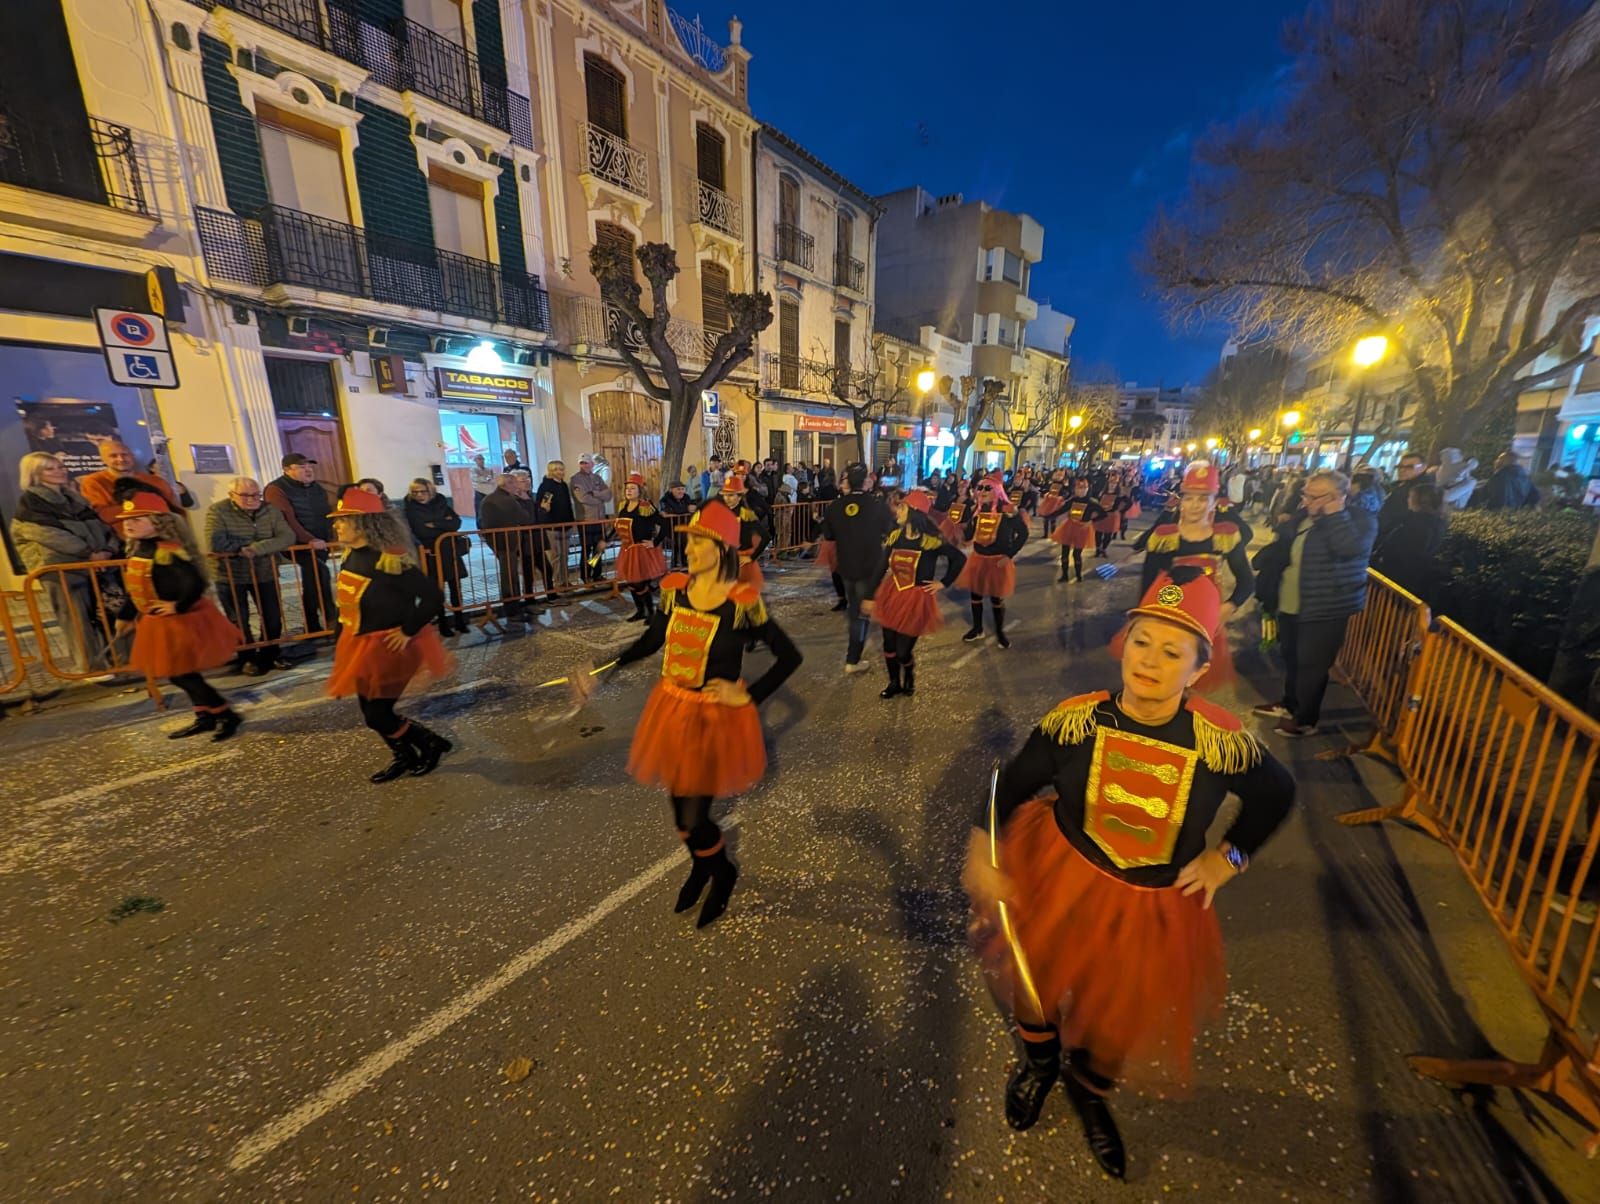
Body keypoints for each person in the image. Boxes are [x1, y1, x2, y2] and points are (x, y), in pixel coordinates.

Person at [963, 569, 1295, 1178]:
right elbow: (1006, 786)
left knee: (1114, 1013)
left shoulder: (1219, 740)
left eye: (1173, 652)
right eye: (1142, 641)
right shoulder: (1076, 721)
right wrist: (983, 847)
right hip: (1060, 878)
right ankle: (1038, 1068)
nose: (1151, 660)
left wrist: (1231, 857)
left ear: (1199, 670)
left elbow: (1276, 793)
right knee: (1034, 987)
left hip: (1149, 905)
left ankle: (1089, 1092)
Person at [591, 500, 803, 928]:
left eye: (698, 544)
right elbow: (652, 641)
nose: (687, 551)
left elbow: (788, 657)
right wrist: (604, 673)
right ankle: (703, 865)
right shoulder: (675, 589)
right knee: (680, 810)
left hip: (714, 719)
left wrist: (747, 697)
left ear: (722, 548)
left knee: (694, 815)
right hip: (672, 708)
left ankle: (721, 870)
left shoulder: (742, 603)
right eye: (687, 543)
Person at [325, 487, 453, 782]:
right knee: (370, 711)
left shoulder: (388, 561)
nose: (337, 525)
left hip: (389, 648)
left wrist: (408, 630)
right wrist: (339, 642)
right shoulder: (350, 556)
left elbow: (432, 597)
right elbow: (346, 605)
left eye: (343, 519)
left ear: (364, 523)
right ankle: (404, 756)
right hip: (358, 645)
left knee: (378, 714)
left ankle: (429, 743)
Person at [1252, 469, 1377, 737]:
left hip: (1325, 606)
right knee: (1292, 658)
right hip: (1291, 602)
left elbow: (1349, 548)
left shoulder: (1360, 521)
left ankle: (1305, 719)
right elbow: (1285, 537)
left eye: (1314, 496)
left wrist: (1335, 514)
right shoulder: (1305, 517)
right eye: (1305, 495)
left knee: (1312, 664)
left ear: (1338, 497)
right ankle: (1289, 703)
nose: (1306, 501)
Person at [112, 492, 244, 740]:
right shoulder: (141, 549)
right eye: (127, 520)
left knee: (180, 674)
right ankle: (205, 716)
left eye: (139, 519)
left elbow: (194, 583)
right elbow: (138, 588)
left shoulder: (167, 551)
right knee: (182, 673)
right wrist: (126, 615)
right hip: (157, 622)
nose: (129, 524)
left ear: (158, 522)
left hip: (179, 622)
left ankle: (225, 714)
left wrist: (177, 606)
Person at [1138, 461, 1254, 689]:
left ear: (1214, 502)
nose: (1195, 505)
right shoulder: (1164, 536)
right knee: (1161, 673)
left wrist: (1227, 608)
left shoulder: (1225, 536)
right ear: (1181, 500)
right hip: (1167, 613)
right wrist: (1143, 618)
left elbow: (1247, 581)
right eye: (1189, 498)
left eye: (1203, 498)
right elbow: (1148, 581)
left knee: (1192, 675)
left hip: (1206, 618)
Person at [11, 452, 119, 673]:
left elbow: (101, 527)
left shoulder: (75, 499)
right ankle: (90, 667)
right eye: (50, 468)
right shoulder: (32, 502)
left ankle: (113, 661)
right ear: (35, 474)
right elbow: (48, 534)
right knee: (76, 620)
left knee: (102, 614)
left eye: (60, 466)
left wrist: (108, 549)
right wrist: (89, 553)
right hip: (62, 570)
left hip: (92, 566)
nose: (60, 471)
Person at [873, 488, 966, 699]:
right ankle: (894, 682)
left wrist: (943, 583)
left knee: (903, 651)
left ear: (913, 511)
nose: (897, 510)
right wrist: (870, 595)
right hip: (892, 593)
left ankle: (910, 673)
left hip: (916, 600)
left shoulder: (931, 541)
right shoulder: (895, 537)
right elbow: (880, 568)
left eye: (902, 506)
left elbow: (959, 559)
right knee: (889, 645)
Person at [205, 477, 294, 675]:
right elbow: (215, 542)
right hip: (229, 574)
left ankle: (270, 653)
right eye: (245, 495)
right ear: (231, 495)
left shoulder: (270, 510)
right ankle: (247, 657)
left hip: (264, 570)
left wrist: (256, 549)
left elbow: (286, 536)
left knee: (272, 616)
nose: (252, 499)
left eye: (256, 495)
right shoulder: (218, 511)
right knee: (238, 618)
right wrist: (239, 549)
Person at [820, 463, 894, 672]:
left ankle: (854, 656)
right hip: (869, 568)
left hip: (846, 567)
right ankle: (853, 659)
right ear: (864, 481)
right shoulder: (877, 505)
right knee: (861, 615)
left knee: (856, 611)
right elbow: (889, 529)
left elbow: (829, 535)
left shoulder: (835, 506)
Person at [265, 454, 335, 637]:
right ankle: (331, 621)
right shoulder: (276, 489)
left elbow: (325, 513)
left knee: (315, 582)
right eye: (301, 467)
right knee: (321, 575)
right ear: (287, 470)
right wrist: (308, 539)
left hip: (320, 543)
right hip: (298, 544)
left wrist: (329, 535)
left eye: (309, 466)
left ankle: (313, 625)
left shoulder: (317, 488)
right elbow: (286, 519)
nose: (308, 469)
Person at [956, 474, 1028, 648]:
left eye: (987, 488)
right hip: (978, 558)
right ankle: (978, 628)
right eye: (979, 487)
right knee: (976, 596)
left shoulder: (1008, 510)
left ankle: (1000, 632)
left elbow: (1023, 534)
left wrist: (1009, 555)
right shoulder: (976, 509)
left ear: (997, 490)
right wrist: (961, 530)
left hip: (998, 561)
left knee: (996, 598)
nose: (982, 491)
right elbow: (970, 535)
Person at [404, 480, 471, 636]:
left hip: (449, 551)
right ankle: (443, 624)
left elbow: (456, 523)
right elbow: (422, 531)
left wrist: (434, 524)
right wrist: (443, 524)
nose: (419, 495)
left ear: (430, 491)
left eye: (422, 491)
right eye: (415, 492)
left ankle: (460, 620)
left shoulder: (441, 503)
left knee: (456, 588)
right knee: (437, 590)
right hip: (431, 553)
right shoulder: (410, 509)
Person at [79, 439, 188, 524]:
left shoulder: (156, 481)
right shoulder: (93, 482)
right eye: (113, 456)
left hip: (163, 540)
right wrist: (143, 505)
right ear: (103, 459)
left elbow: (176, 513)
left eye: (125, 454)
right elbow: (103, 515)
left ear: (132, 456)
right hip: (123, 545)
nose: (121, 459)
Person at [1372, 483, 1447, 604]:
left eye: (1410, 497)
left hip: (1398, 579)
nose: (1408, 500)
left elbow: (1397, 550)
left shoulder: (1413, 524)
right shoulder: (1438, 522)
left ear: (1419, 501)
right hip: (1415, 580)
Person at [479, 473, 539, 624]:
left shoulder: (488, 499)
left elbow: (482, 523)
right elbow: (527, 519)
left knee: (509, 575)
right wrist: (528, 502)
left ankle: (513, 608)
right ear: (506, 485)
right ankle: (513, 610)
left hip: (497, 542)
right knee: (510, 577)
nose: (517, 486)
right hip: (508, 543)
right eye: (514, 484)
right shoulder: (507, 500)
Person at [614, 474, 669, 621]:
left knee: (639, 583)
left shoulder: (646, 507)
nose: (629, 491)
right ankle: (640, 611)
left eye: (632, 488)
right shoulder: (623, 506)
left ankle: (650, 612)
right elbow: (618, 526)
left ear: (640, 490)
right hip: (628, 550)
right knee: (631, 582)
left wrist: (655, 542)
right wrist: (605, 540)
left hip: (642, 551)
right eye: (627, 488)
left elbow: (664, 525)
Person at [719, 473, 771, 590]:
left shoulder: (747, 514)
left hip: (742, 564)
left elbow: (766, 537)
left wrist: (752, 557)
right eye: (725, 495)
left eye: (731, 495)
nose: (727, 498)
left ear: (739, 496)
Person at [1050, 478, 1106, 584]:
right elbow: (1062, 509)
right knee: (1065, 552)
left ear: (1087, 489)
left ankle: (1078, 574)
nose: (1080, 491)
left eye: (1083, 488)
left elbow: (1103, 514)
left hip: (1082, 529)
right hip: (1069, 527)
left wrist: (1090, 521)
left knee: (1077, 553)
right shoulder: (1073, 500)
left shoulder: (1092, 502)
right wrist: (1049, 515)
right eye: (1078, 488)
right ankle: (1064, 575)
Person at [570, 456, 614, 583]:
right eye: (582, 463)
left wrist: (595, 493)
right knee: (586, 548)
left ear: (592, 464)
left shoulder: (597, 478)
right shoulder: (575, 479)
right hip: (585, 520)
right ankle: (585, 575)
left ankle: (597, 574)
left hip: (599, 519)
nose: (585, 465)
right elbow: (583, 498)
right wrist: (600, 498)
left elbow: (609, 495)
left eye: (587, 463)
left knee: (599, 548)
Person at [534, 460, 576, 590]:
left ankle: (565, 580)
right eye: (556, 469)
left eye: (561, 469)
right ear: (551, 471)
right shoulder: (547, 486)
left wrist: (571, 521)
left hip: (566, 524)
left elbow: (567, 505)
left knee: (565, 555)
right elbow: (544, 506)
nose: (560, 472)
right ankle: (557, 581)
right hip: (552, 525)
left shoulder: (563, 485)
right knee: (555, 556)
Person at [1376, 452, 1434, 542]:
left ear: (1423, 467)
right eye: (1400, 466)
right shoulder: (1401, 485)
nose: (1402, 470)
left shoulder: (1421, 491)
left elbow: (1393, 516)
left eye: (1410, 467)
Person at [1471, 452, 1540, 511]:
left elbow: (1484, 495)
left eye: (1499, 459)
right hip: (1515, 514)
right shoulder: (1525, 477)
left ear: (1503, 462)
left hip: (1498, 514)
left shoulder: (1500, 476)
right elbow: (1535, 497)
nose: (1495, 461)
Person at [658, 479, 694, 568]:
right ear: (671, 490)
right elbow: (668, 511)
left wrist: (687, 510)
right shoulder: (665, 499)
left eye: (682, 489)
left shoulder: (686, 497)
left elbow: (693, 506)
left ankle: (681, 562)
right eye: (678, 489)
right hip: (671, 527)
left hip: (684, 526)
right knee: (679, 540)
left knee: (684, 539)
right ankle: (676, 563)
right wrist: (685, 511)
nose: (681, 491)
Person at [1093, 482, 1122, 557]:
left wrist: (1109, 508)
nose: (1112, 485)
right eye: (1111, 483)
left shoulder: (1118, 496)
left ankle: (1104, 548)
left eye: (1114, 484)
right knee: (1098, 533)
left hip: (1111, 516)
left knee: (1108, 534)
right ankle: (1098, 548)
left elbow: (1117, 506)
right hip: (1101, 515)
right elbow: (1097, 503)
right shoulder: (1101, 494)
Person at [1038, 469, 1069, 537]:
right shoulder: (1050, 483)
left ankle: (1053, 533)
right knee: (1045, 518)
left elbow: (1066, 493)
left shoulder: (1064, 484)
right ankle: (1045, 534)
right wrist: (1045, 493)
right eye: (1057, 475)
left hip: (1056, 503)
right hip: (1048, 501)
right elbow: (1045, 489)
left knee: (1053, 518)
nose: (1058, 477)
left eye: (1060, 475)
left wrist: (1061, 496)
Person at [469, 454, 496, 521]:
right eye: (479, 459)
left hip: (489, 492)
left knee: (490, 511)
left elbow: (493, 478)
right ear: (475, 461)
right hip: (480, 492)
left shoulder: (488, 469)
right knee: (480, 511)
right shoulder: (473, 469)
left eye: (482, 459)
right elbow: (477, 479)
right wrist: (487, 479)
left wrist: (487, 479)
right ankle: (480, 527)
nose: (481, 461)